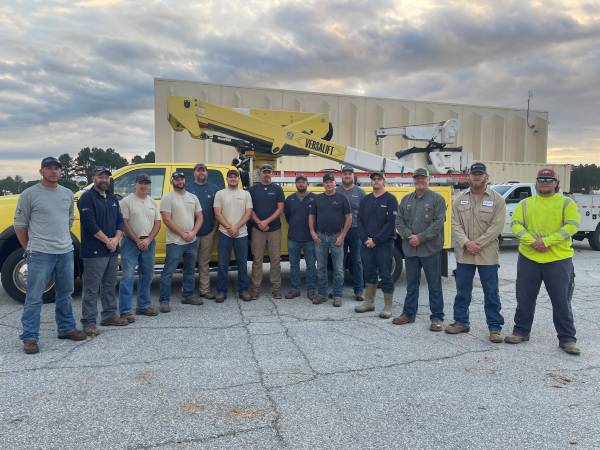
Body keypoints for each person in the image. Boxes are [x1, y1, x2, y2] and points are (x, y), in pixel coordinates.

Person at [13, 157, 86, 354]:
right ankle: (30, 337)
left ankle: (66, 328)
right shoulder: (29, 195)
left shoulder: (67, 194)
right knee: (34, 296)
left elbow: (68, 219)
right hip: (40, 253)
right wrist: (29, 247)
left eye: (57, 168)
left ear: (61, 172)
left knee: (65, 293)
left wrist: (61, 239)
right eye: (49, 168)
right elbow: (20, 225)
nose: (54, 172)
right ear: (41, 171)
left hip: (65, 252)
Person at [505, 168, 581, 355]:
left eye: (549, 179)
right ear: (536, 182)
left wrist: (547, 241)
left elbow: (572, 225)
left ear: (556, 183)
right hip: (529, 258)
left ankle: (567, 338)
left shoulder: (566, 203)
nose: (545, 182)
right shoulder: (525, 204)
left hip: (558, 259)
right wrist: (533, 242)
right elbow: (515, 224)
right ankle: (521, 331)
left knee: (561, 300)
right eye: (541, 179)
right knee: (524, 298)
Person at [445, 163, 506, 342]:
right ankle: (461, 322)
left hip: (487, 254)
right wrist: (466, 243)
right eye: (474, 174)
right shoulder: (459, 199)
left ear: (486, 176)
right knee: (462, 291)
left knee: (491, 292)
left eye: (480, 174)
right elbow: (455, 224)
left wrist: (477, 243)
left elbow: (497, 227)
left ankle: (494, 327)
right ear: (468, 177)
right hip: (465, 254)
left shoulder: (497, 200)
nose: (477, 177)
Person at [393, 168, 446, 331]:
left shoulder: (438, 199)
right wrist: (410, 237)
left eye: (423, 178)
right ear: (413, 181)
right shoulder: (406, 200)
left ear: (429, 180)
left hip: (430, 250)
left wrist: (420, 238)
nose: (420, 181)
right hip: (410, 250)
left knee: (434, 285)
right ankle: (409, 313)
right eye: (417, 179)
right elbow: (399, 221)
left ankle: (437, 317)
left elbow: (438, 224)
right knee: (412, 284)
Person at [78, 166, 128, 336]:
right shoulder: (86, 198)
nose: (104, 180)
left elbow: (120, 222)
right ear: (94, 178)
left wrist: (115, 239)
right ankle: (89, 322)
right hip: (94, 251)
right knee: (91, 288)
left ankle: (109, 315)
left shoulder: (112, 198)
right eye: (101, 177)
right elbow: (89, 224)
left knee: (109, 284)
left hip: (112, 250)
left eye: (106, 177)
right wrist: (107, 241)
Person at [118, 174, 162, 320]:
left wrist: (149, 239)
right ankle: (125, 310)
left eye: (146, 183)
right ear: (135, 184)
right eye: (141, 183)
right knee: (127, 277)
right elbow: (124, 223)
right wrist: (137, 240)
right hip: (130, 243)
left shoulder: (152, 202)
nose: (144, 186)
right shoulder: (126, 202)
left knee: (147, 276)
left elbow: (157, 223)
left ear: (149, 185)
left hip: (148, 243)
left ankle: (143, 306)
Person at [355, 171, 398, 318]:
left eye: (379, 179)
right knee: (369, 272)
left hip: (384, 244)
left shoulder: (391, 199)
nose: (376, 181)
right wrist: (365, 239)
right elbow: (359, 221)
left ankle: (387, 307)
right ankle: (369, 302)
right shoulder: (366, 200)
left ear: (384, 182)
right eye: (374, 179)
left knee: (385, 274)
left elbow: (391, 224)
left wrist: (375, 240)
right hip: (366, 244)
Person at [158, 172, 203, 312]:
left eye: (181, 179)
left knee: (189, 270)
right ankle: (164, 300)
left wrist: (193, 232)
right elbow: (167, 219)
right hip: (175, 242)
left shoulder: (193, 197)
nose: (179, 181)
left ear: (185, 180)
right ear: (172, 182)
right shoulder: (167, 197)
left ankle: (187, 295)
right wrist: (182, 233)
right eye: (176, 179)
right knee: (168, 272)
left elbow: (200, 217)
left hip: (191, 240)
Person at [309, 172, 352, 307]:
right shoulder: (317, 199)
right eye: (326, 182)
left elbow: (349, 217)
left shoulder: (342, 198)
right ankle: (322, 294)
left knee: (338, 268)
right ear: (324, 184)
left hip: (336, 237)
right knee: (321, 267)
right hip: (320, 237)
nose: (329, 184)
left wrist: (343, 235)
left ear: (335, 183)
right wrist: (313, 233)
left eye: (331, 182)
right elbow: (311, 216)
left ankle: (337, 295)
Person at [214, 169, 253, 302]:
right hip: (225, 233)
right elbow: (218, 213)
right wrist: (229, 227)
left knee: (242, 264)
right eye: (230, 177)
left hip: (241, 234)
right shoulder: (220, 194)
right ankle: (221, 291)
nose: (233, 179)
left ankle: (244, 290)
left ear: (238, 179)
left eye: (235, 177)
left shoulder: (246, 194)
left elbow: (248, 213)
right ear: (227, 179)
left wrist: (236, 227)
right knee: (223, 264)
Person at [249, 164, 285, 300]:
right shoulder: (253, 190)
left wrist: (266, 222)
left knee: (275, 260)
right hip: (257, 229)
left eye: (269, 172)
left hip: (274, 229)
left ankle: (276, 289)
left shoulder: (277, 189)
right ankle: (255, 289)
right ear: (260, 174)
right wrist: (259, 222)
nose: (266, 174)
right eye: (264, 172)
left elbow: (280, 209)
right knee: (257, 260)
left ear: (272, 174)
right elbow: (249, 209)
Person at [186, 163, 219, 299]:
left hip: (208, 231)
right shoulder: (187, 188)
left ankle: (204, 290)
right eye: (198, 170)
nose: (201, 173)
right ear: (194, 173)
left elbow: (218, 210)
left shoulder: (214, 188)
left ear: (207, 173)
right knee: (189, 262)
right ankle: (188, 291)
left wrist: (214, 228)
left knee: (204, 262)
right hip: (190, 232)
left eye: (203, 170)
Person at [284, 174, 317, 301]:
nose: (301, 184)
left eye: (303, 182)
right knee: (294, 264)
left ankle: (311, 290)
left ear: (307, 183)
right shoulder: (290, 199)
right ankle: (295, 289)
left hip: (310, 238)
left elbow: (317, 217)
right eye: (298, 182)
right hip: (293, 237)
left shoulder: (314, 198)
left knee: (310, 265)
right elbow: (288, 217)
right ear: (296, 184)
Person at [337, 166, 365, 301]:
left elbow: (365, 213)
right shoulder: (337, 191)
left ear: (353, 176)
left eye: (349, 174)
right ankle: (338, 290)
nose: (347, 176)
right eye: (345, 174)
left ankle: (359, 290)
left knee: (357, 260)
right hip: (340, 231)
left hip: (355, 231)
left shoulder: (360, 192)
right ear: (341, 176)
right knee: (339, 261)